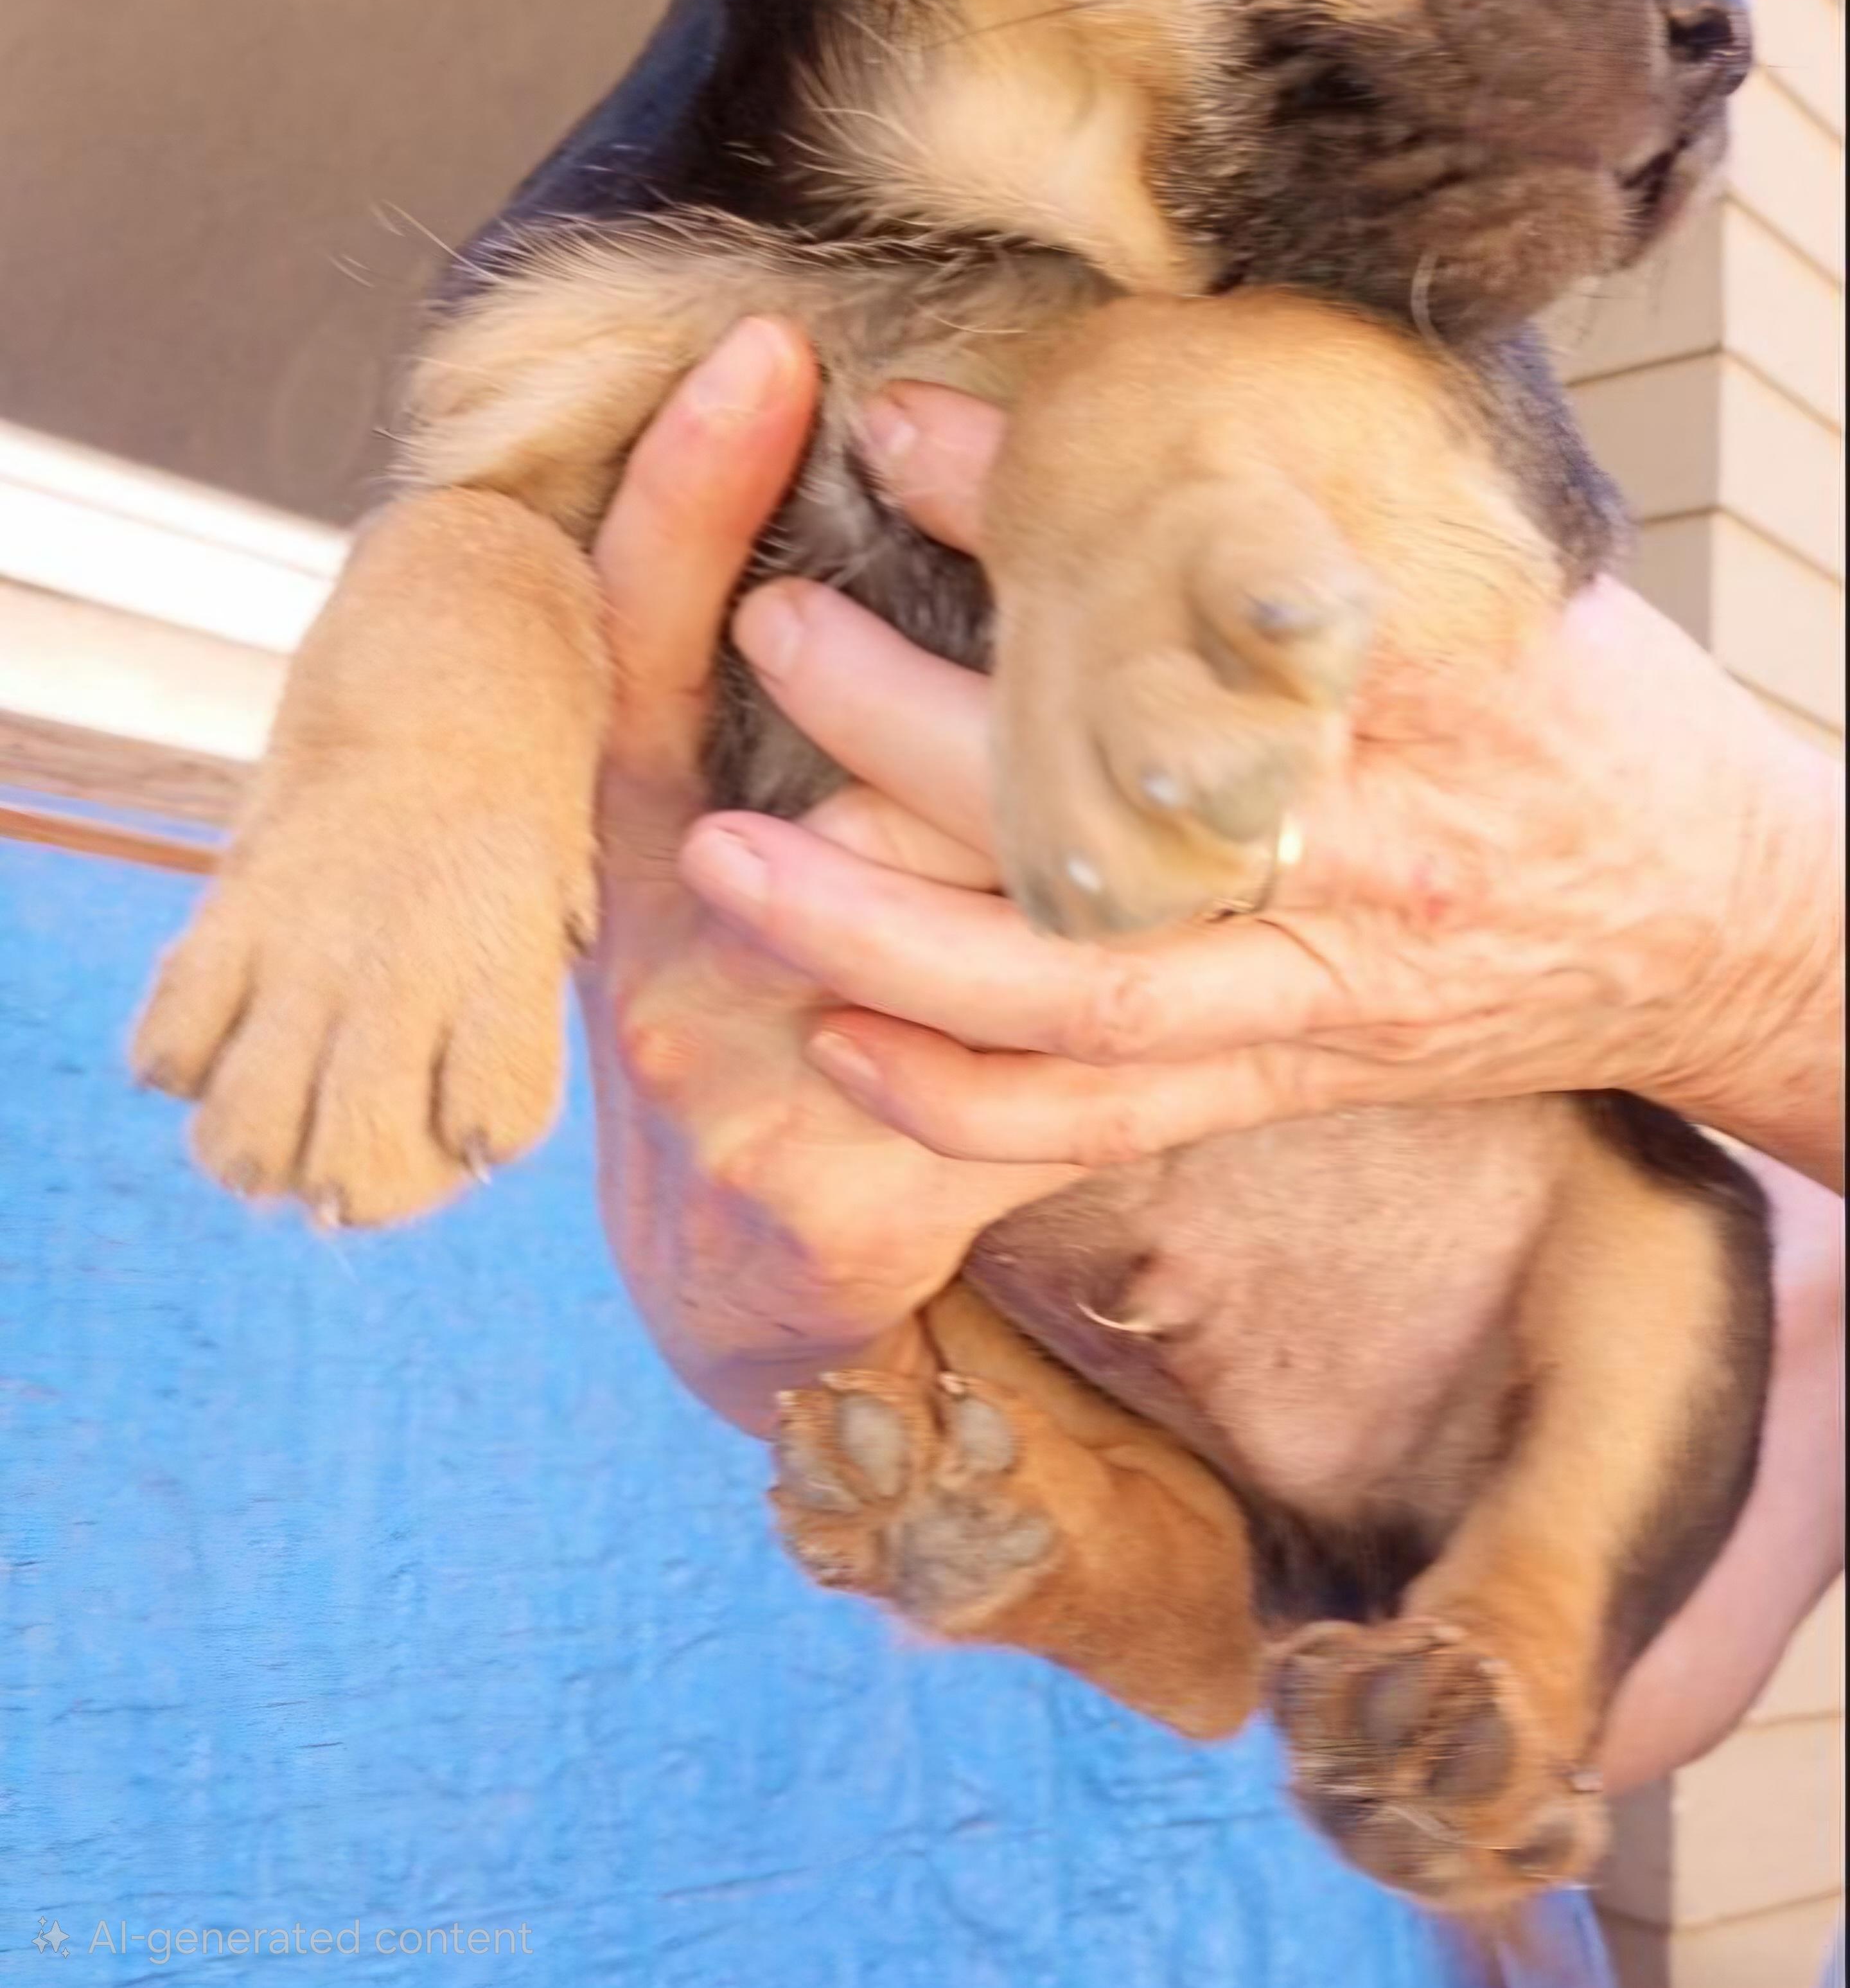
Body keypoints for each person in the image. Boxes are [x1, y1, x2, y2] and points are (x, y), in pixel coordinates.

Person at [580, 314, 1844, 1811]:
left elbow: (1607, 1711)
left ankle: (1463, 1610)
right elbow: (1780, 1410)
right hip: (1060, 1264)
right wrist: (786, 1304)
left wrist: (1773, 952)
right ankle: (1160, 1566)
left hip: (1455, 1307)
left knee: (1671, 1231)